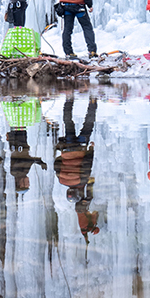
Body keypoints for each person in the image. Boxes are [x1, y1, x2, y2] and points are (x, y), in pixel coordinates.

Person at [55, 97, 99, 240]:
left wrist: (91, 150)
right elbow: (56, 165)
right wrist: (63, 156)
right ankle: (69, 100)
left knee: (88, 124)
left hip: (81, 147)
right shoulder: (62, 180)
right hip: (67, 148)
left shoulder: (82, 181)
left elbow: (87, 163)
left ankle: (92, 102)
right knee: (68, 123)